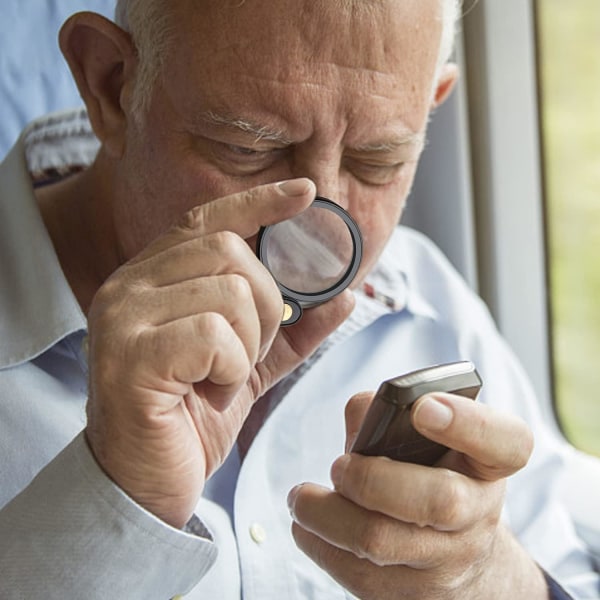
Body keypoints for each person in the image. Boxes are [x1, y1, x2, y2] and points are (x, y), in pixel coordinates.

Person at [0, 0, 597, 598]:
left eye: (376, 161)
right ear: (110, 84)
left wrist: (493, 580)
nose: (317, 237)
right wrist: (111, 504)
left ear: (430, 105)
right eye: (247, 149)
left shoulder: (428, 303)